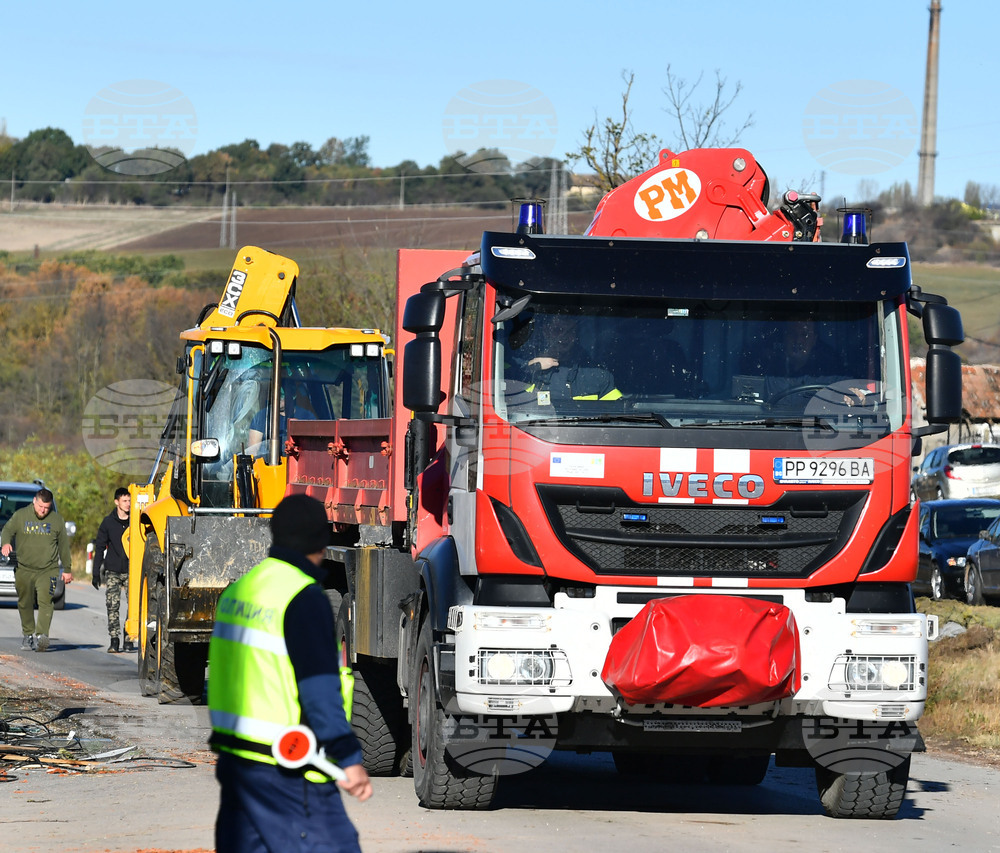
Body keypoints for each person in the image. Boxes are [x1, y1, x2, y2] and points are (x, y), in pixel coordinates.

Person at [208, 493, 371, 852]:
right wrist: (347, 758)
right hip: (286, 769)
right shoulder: (302, 595)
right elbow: (318, 690)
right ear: (320, 540)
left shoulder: (239, 591)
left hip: (237, 766)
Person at [0, 487, 72, 652]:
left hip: (48, 569)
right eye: (40, 506)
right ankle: (28, 634)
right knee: (25, 602)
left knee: (46, 601)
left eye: (47, 508)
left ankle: (41, 636)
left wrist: (67, 569)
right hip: (24, 568)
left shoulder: (56, 520)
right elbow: (7, 531)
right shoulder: (21, 516)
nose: (43, 510)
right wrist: (5, 543)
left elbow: (64, 546)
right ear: (34, 501)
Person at [92, 487, 134, 653]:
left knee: (134, 605)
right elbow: (100, 548)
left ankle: (129, 637)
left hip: (132, 570)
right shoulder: (108, 523)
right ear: (117, 502)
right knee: (112, 605)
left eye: (130, 500)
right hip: (113, 570)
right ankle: (115, 639)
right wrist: (96, 573)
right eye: (125, 501)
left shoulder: (136, 521)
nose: (128, 504)